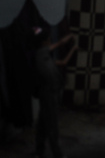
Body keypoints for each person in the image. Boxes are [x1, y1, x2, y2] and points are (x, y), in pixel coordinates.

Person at [32, 28, 78, 158]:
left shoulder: (44, 56)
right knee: (52, 126)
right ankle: (57, 154)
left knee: (42, 123)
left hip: (48, 93)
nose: (50, 40)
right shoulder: (41, 53)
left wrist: (73, 49)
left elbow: (63, 62)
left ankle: (39, 150)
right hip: (48, 93)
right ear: (44, 42)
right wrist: (70, 36)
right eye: (48, 39)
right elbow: (60, 43)